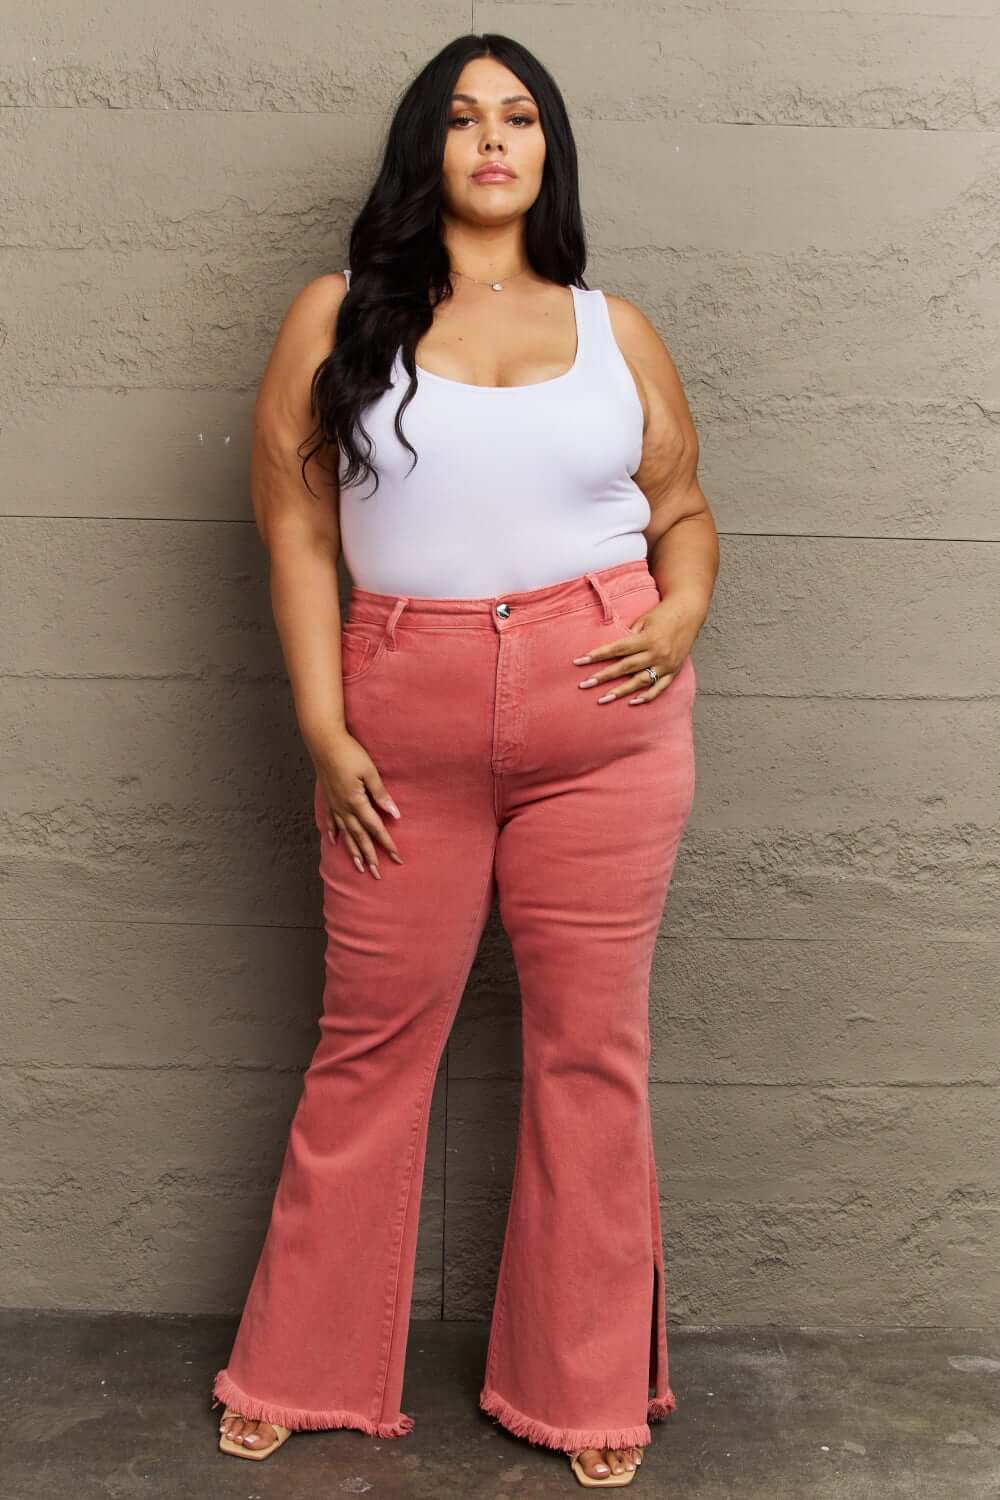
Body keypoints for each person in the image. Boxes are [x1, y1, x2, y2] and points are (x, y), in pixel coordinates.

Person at [211, 31, 719, 1490]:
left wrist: (680, 610)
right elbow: (301, 532)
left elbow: (682, 510)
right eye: (459, 117)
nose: (491, 138)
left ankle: (585, 1389)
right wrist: (322, 722)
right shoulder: (337, 314)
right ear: (422, 151)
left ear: (550, 150)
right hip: (399, 718)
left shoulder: (615, 329)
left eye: (518, 116)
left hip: (604, 726)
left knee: (588, 1051)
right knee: (372, 1042)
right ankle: (298, 1367)